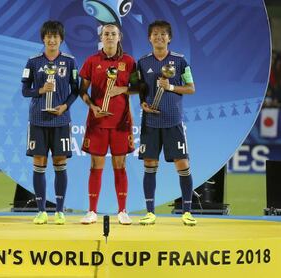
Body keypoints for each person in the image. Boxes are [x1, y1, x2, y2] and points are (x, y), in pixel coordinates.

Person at [137, 20, 197, 226]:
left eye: (163, 34)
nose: (159, 37)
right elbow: (141, 89)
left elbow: (191, 88)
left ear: (169, 38)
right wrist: (143, 104)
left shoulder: (180, 61)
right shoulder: (143, 62)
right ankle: (150, 212)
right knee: (150, 164)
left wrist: (170, 87)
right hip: (151, 122)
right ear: (149, 38)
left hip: (173, 121)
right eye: (155, 34)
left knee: (182, 164)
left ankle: (187, 212)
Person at [79, 23, 138, 225]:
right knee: (96, 164)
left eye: (113, 34)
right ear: (101, 37)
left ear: (119, 36)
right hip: (97, 122)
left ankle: (122, 211)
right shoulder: (91, 61)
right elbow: (82, 91)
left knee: (120, 165)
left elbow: (138, 87)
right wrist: (92, 107)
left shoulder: (129, 62)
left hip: (121, 122)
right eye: (106, 34)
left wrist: (121, 90)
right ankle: (92, 211)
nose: (110, 37)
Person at [21, 20, 79, 225]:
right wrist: (40, 91)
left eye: (55, 36)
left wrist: (65, 107)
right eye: (49, 36)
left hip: (61, 119)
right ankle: (41, 211)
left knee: (60, 164)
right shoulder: (33, 61)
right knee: (39, 164)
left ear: (61, 39)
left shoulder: (70, 61)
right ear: (43, 38)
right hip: (38, 119)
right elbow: (24, 91)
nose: (52, 40)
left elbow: (76, 90)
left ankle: (60, 211)